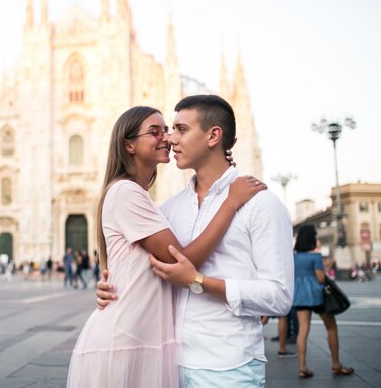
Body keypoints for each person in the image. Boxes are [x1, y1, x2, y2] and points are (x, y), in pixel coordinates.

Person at [96, 95, 294, 388]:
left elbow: (279, 296)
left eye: (180, 129)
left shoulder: (260, 203)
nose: (170, 139)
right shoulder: (167, 209)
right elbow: (154, 268)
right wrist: (111, 290)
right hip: (167, 365)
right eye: (166, 130)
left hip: (227, 366)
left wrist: (200, 281)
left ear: (214, 135)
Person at [293, 224, 354, 379]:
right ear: (312, 239)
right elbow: (320, 278)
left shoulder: (293, 257)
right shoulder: (315, 256)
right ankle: (336, 364)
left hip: (300, 296)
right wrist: (326, 267)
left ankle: (302, 367)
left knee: (303, 331)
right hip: (317, 296)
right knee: (331, 328)